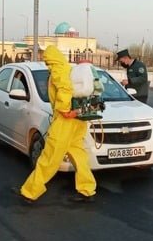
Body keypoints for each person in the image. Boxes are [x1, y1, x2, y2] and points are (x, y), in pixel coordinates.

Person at [17, 45, 97, 204]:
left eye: (45, 58)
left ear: (50, 58)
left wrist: (64, 110)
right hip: (77, 121)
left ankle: (30, 192)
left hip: (64, 121)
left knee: (49, 158)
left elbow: (65, 88)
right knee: (79, 155)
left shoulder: (58, 69)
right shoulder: (69, 68)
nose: (44, 61)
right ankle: (87, 189)